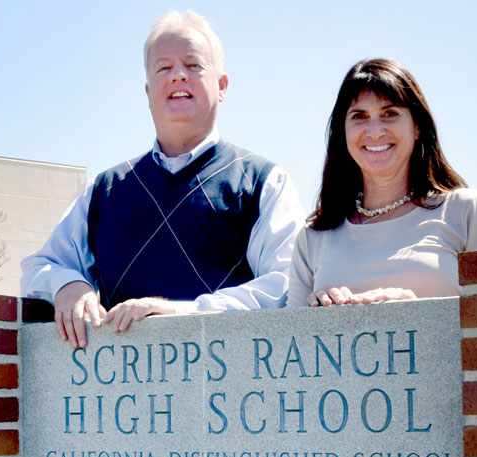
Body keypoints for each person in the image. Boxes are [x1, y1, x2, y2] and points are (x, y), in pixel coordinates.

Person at [22, 10, 303, 347]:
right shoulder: (106, 190)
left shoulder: (263, 182)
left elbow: (287, 285)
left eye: (193, 65)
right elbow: (41, 267)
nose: (178, 76)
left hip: (231, 388)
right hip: (121, 389)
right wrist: (67, 285)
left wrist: (184, 313)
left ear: (222, 85)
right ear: (148, 90)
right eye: (164, 68)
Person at [288, 58, 477, 308]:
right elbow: (290, 342)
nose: (374, 131)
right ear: (342, 132)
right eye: (359, 116)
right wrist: (317, 316)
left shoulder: (468, 211)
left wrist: (415, 312)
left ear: (417, 126)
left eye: (390, 114)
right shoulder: (312, 237)